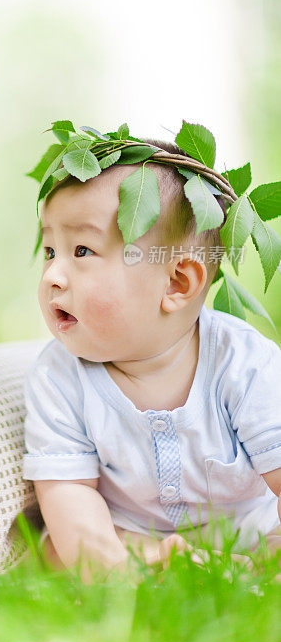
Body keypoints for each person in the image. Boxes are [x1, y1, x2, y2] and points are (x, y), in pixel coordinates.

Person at [22, 138, 281, 581]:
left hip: (250, 538)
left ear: (177, 283)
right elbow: (68, 496)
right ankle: (152, 572)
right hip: (130, 539)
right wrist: (118, 572)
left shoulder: (244, 363)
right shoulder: (58, 376)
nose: (52, 276)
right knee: (54, 548)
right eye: (50, 251)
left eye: (81, 251)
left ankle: (240, 573)